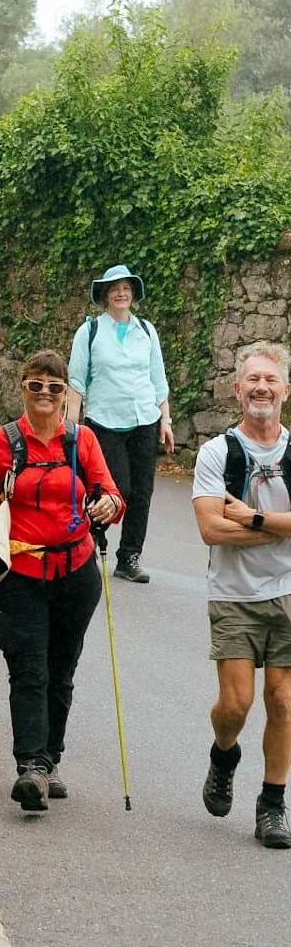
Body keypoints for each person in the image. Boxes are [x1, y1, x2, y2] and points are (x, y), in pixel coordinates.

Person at [0, 349, 125, 811]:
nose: (45, 395)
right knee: (28, 668)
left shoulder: (81, 441)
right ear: (23, 389)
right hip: (18, 574)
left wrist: (108, 504)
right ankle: (30, 766)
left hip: (76, 573)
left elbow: (110, 492)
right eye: (36, 386)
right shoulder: (3, 441)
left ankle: (49, 760)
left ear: (66, 393)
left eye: (54, 387)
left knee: (61, 670)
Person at [192, 341, 291, 850]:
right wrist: (283, 530)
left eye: (271, 380)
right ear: (237, 389)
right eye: (253, 379)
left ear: (285, 391)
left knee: (283, 699)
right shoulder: (218, 453)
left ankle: (273, 803)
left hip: (289, 592)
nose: (261, 388)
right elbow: (211, 529)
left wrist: (252, 517)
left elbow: (233, 521)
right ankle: (224, 754)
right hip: (233, 593)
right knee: (237, 703)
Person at [67, 262, 174, 584]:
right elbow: (76, 382)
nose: (121, 293)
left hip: (145, 419)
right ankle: (87, 543)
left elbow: (158, 379)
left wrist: (165, 420)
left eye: (127, 288)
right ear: (105, 294)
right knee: (116, 489)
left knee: (141, 492)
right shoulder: (90, 331)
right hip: (104, 421)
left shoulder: (146, 330)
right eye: (115, 288)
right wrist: (70, 427)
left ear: (133, 294)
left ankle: (129, 557)